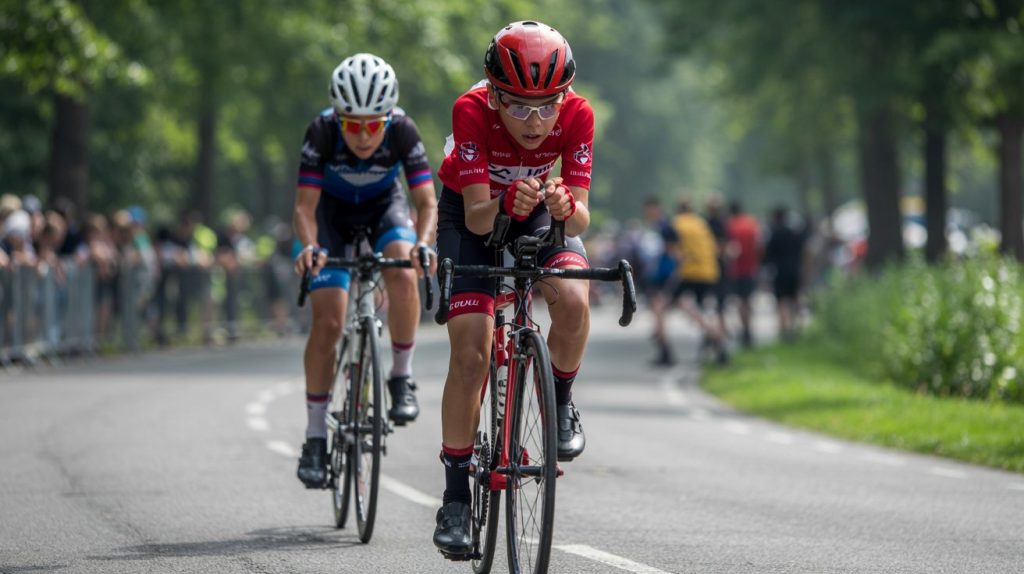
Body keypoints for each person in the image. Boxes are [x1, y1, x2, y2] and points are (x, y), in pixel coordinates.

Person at [431, 21, 592, 557]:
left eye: (548, 105)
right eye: (519, 107)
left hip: (538, 212)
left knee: (571, 297)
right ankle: (455, 497)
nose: (536, 120)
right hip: (471, 213)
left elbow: (584, 218)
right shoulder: (470, 110)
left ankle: (560, 401)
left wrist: (568, 206)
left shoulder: (579, 115)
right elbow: (478, 220)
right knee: (472, 355)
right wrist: (505, 204)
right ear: (494, 92)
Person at [292, 53, 438, 489]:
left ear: (387, 118)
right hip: (331, 220)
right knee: (329, 320)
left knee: (404, 265)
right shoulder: (320, 132)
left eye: (372, 125)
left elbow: (426, 202)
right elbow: (304, 207)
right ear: (337, 117)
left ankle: (401, 376)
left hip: (383, 210)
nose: (362, 135)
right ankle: (316, 437)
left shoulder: (403, 130)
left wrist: (424, 246)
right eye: (351, 125)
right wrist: (312, 247)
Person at [669, 198, 728, 364]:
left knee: (678, 302)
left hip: (691, 271)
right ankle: (712, 338)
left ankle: (714, 334)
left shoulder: (678, 223)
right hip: (710, 271)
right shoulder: (701, 223)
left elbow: (673, 249)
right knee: (702, 307)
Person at [642, 196, 679, 366]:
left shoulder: (664, 226)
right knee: (658, 315)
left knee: (659, 314)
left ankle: (666, 352)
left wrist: (671, 276)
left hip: (663, 278)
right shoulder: (657, 227)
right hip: (657, 277)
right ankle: (663, 348)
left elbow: (673, 252)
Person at [763, 206, 806, 341]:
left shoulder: (775, 234)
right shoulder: (795, 234)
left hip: (780, 271)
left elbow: (767, 255)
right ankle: (793, 326)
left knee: (781, 300)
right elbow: (803, 253)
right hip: (795, 270)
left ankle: (784, 328)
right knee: (793, 299)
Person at [725, 200, 761, 347]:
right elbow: (759, 246)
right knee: (748, 300)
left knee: (740, 301)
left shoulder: (730, 226)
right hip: (751, 267)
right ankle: (748, 329)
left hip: (736, 269)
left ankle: (744, 330)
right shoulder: (752, 224)